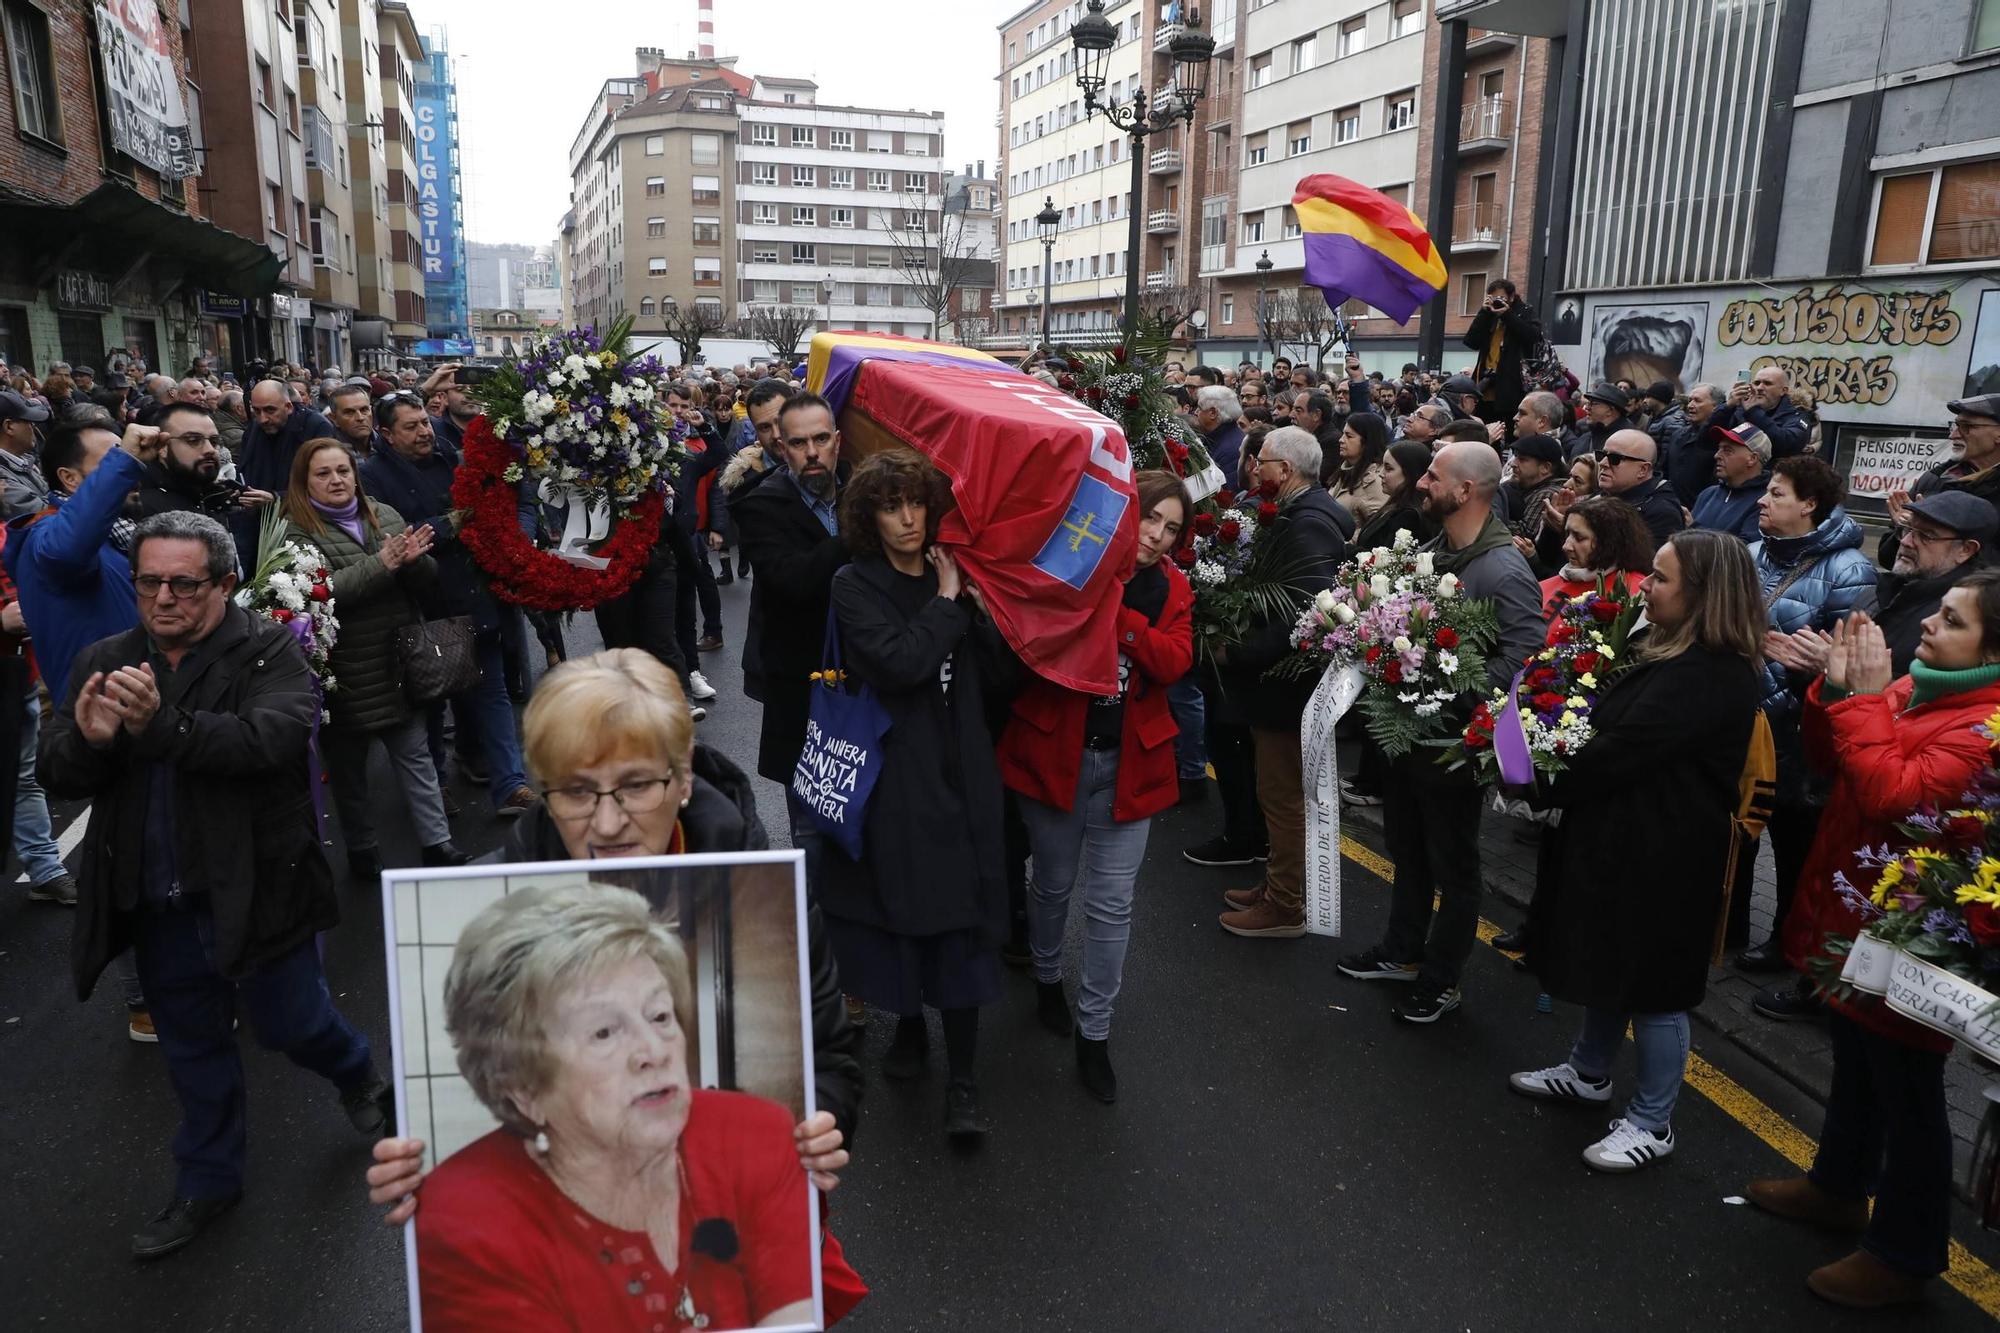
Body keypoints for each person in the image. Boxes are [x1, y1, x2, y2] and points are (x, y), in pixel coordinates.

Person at [366, 649, 861, 1229]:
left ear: (682, 779)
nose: (605, 823)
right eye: (575, 792)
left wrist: (821, 1123)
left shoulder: (766, 898)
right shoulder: (480, 913)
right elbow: (440, 1084)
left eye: (635, 786)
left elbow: (829, 1061)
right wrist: (418, 1159)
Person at [42, 510, 390, 1260]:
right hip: (157, 900)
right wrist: (91, 741)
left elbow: (272, 741)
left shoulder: (267, 650)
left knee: (292, 1022)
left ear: (226, 584)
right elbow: (61, 770)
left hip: (260, 889)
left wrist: (162, 725)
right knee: (193, 1048)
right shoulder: (106, 656)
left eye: (184, 583)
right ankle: (208, 1179)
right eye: (148, 582)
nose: (163, 597)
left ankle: (356, 1069)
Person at [398, 881, 865, 1330]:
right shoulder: (465, 1220)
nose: (654, 1050)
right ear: (524, 1088)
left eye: (660, 1016)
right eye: (604, 1031)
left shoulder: (754, 1133)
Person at [1745, 588, 2000, 1308]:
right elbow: (1835, 759)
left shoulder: (1985, 723)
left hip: (1909, 934)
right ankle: (1837, 1187)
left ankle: (1905, 1251)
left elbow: (1896, 795)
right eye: (1938, 611)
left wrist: (1859, 700)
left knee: (1908, 1091)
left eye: (1952, 620)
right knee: (1856, 1060)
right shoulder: (1915, 687)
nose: (1927, 622)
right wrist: (1831, 687)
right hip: (1856, 913)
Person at [1509, 529, 1763, 1172]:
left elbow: (1618, 753)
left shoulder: (1709, 673)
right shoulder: (1664, 648)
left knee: (1655, 988)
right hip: (1623, 837)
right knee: (1610, 958)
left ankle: (1653, 1120)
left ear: (1704, 595)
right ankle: (1589, 1070)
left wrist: (1526, 773)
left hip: (1666, 853)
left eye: (1661, 577)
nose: (1645, 586)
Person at [819, 450, 1013, 1139]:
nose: (907, 518)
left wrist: (983, 615)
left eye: (916, 504)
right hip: (896, 778)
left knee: (960, 923)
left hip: (963, 772)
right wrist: (946, 606)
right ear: (870, 516)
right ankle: (908, 1027)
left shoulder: (951, 577)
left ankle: (963, 1082)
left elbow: (998, 682)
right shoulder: (855, 582)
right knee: (903, 909)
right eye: (890, 505)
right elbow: (899, 662)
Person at [997, 471, 1193, 1103]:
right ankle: (1047, 977)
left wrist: (1122, 620)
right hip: (1057, 754)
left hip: (1130, 765)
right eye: (1151, 520)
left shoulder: (1173, 588)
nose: (1158, 537)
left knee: (1112, 906)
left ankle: (1095, 1034)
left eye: (1172, 528)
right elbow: (1030, 640)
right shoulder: (1074, 559)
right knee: (1051, 884)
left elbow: (1172, 662)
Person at [1336, 442, 1544, 1021]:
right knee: (1407, 851)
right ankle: (1402, 953)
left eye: (1433, 475)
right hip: (1409, 741)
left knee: (1454, 868)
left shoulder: (1502, 568)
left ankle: (1442, 978)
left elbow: (1527, 658)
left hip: (1453, 748)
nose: (1422, 482)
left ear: (1466, 491)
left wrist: (1443, 683)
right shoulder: (1436, 550)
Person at [280, 439, 466, 875]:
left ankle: (437, 844)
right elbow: (317, 593)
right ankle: (363, 849)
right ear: (304, 481)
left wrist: (417, 562)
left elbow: (424, 581)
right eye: (323, 474)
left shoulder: (383, 514)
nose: (336, 480)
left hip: (398, 661)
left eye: (343, 470)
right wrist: (384, 563)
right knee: (349, 771)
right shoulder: (294, 530)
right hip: (343, 670)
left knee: (416, 757)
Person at [361, 393, 539, 819]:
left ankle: (510, 786)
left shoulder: (455, 459)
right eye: (411, 426)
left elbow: (499, 507)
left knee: (492, 692)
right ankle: (435, 786)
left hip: (476, 595)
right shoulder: (371, 477)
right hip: (421, 605)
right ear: (386, 433)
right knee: (430, 699)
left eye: (425, 421)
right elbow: (399, 540)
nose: (424, 431)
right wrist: (453, 523)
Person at [1733, 454, 1876, 971]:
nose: (1763, 502)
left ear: (1810, 504)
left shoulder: (1850, 569)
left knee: (1793, 844)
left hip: (1798, 730)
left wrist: (1814, 667)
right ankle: (1726, 927)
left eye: (1776, 494)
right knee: (1736, 832)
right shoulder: (1752, 553)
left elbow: (1850, 661)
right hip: (1744, 720)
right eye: (1767, 492)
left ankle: (1784, 942)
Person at [1214, 427, 1355, 939]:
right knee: (1278, 790)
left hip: (1286, 685)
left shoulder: (1307, 523)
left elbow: (1302, 613)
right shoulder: (1310, 510)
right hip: (1283, 682)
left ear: (1286, 472)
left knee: (1282, 794)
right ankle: (1278, 881)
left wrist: (1241, 652)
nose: (1255, 469)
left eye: (1264, 461)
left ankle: (1287, 902)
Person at [725, 391, 852, 883]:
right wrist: (856, 534)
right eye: (799, 442)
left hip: (868, 680)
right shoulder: (762, 506)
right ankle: (817, 939)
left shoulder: (864, 487)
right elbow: (792, 582)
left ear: (838, 441)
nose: (812, 451)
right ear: (782, 448)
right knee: (813, 827)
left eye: (822, 439)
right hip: (801, 687)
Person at [1877, 395, 2000, 571]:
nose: (1953, 435)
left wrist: (1941, 538)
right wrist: (1906, 530)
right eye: (1955, 425)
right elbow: (1888, 560)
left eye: (1967, 427)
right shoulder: (1934, 480)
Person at [131, 402, 264, 525]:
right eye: (193, 440)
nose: (210, 450)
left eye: (214, 441)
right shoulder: (146, 510)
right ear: (162, 447)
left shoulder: (212, 498)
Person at [1536, 495, 1654, 610]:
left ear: (1608, 542)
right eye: (1567, 534)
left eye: (1579, 537)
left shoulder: (1632, 594)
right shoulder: (1540, 588)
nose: (1566, 546)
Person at [1462, 279, 1542, 433]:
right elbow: (1471, 342)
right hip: (1485, 387)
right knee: (1482, 432)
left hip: (1511, 387)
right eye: (1494, 298)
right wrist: (1483, 313)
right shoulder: (1489, 314)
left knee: (1508, 432)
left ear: (1512, 297)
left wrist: (1508, 315)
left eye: (1502, 298)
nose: (1497, 302)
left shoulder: (1524, 311)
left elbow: (1532, 337)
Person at [1595, 429, 1684, 552]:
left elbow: (1648, 566)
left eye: (1615, 459)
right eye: (1601, 455)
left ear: (1643, 469)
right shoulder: (1603, 495)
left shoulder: (1662, 513)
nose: (1603, 463)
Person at [1690, 422, 1772, 545]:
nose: (1717, 455)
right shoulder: (1707, 494)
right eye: (1719, 449)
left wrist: (1692, 533)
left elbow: (1742, 553)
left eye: (1727, 451)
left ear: (1752, 459)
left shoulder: (1764, 502)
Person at [1712, 364, 1811, 460]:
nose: (1759, 388)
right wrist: (1727, 407)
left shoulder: (1797, 416)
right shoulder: (1740, 410)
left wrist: (1754, 412)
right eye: (1756, 383)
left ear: (1783, 390)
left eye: (1767, 383)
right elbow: (1706, 438)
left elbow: (1785, 445)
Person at [1654, 382, 1725, 507]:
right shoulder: (1677, 435)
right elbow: (1664, 470)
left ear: (1716, 407)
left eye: (1697, 401)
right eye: (1690, 400)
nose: (1691, 405)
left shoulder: (1721, 440)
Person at [1326, 411, 1389, 525]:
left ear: (1367, 442)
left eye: (1349, 436)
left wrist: (1345, 541)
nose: (1341, 440)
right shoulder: (1345, 471)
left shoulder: (1376, 483)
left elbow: (1375, 531)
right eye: (1343, 434)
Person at [0, 388, 52, 519]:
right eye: (28, 421)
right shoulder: (2, 479)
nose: (33, 427)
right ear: (9, 427)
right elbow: (45, 515)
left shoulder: (22, 461)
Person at [1499, 433, 1566, 534]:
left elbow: (1525, 534)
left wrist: (1493, 515)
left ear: (1545, 468)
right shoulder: (1522, 486)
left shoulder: (1548, 494)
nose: (1513, 464)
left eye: (1522, 459)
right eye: (1515, 457)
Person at [1565, 381, 1637, 461]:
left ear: (1610, 410)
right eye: (1588, 403)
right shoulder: (1585, 438)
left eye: (1593, 403)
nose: (1587, 408)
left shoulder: (1630, 442)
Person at [1193, 385, 1245, 481]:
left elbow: (1225, 491)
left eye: (1199, 408)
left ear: (1213, 413)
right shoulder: (1215, 438)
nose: (1196, 412)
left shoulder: (1231, 450)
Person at [325, 382, 380, 457]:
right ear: (334, 418)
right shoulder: (325, 454)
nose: (360, 418)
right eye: (349, 412)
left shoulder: (390, 446)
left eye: (364, 410)